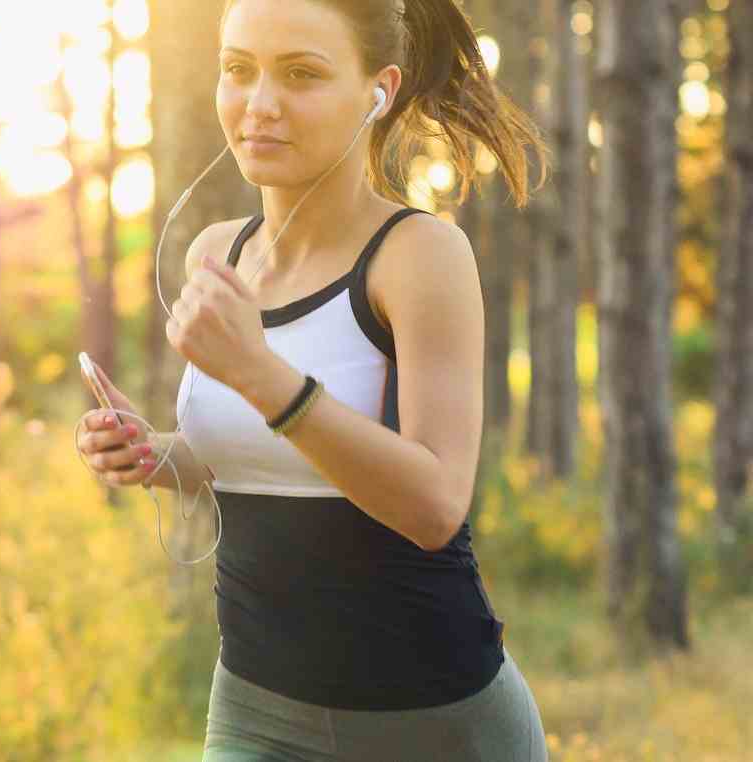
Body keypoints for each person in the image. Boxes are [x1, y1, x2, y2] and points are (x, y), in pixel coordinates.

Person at [76, 0, 549, 759]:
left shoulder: (419, 255)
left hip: (436, 719)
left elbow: (433, 505)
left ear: (378, 90)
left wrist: (261, 376)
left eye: (302, 74)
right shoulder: (216, 252)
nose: (260, 105)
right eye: (239, 70)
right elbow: (256, 459)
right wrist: (155, 454)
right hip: (256, 709)